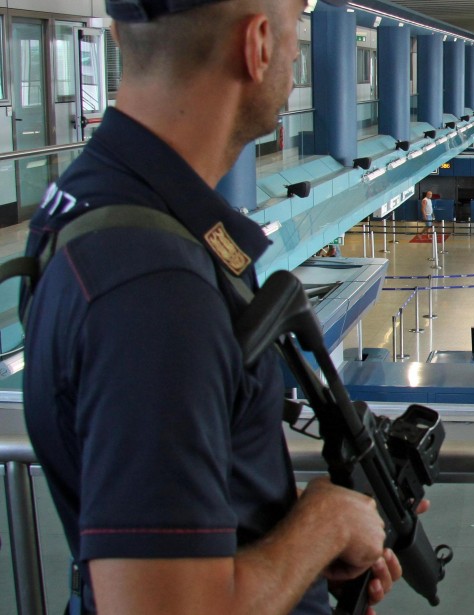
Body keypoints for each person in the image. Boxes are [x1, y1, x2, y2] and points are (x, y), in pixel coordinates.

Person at [20, 1, 405, 613]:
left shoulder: (97, 205)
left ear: (121, 33)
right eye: (295, 22)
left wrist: (298, 555)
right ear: (256, 46)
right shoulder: (153, 288)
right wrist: (322, 526)